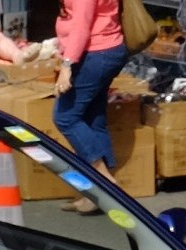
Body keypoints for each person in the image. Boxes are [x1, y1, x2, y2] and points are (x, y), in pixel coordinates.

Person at [52, 0, 129, 213]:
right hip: (105, 51)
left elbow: (81, 25)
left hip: (96, 54)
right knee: (93, 119)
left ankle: (106, 184)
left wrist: (67, 64)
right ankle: (96, 194)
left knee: (66, 117)